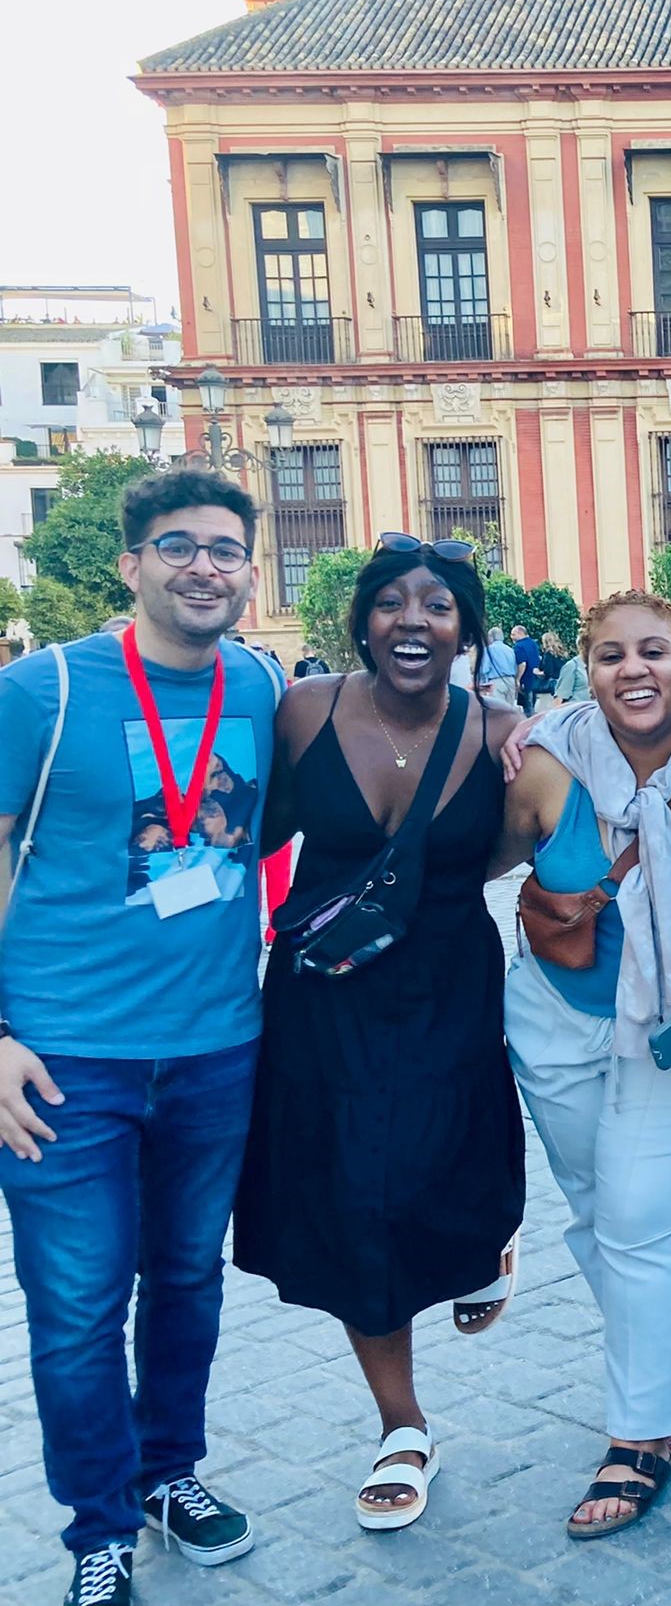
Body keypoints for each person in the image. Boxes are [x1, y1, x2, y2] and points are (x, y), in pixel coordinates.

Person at [0, 470, 284, 1606]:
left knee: (185, 1280)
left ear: (249, 573)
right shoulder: (43, 691)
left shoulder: (261, 686)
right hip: (66, 1060)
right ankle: (98, 1530)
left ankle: (171, 1472)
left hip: (218, 1047)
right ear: (131, 566)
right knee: (76, 1307)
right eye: (177, 546)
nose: (203, 566)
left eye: (224, 549)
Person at [233, 534, 525, 1532]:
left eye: (437, 606)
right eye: (391, 603)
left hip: (449, 980)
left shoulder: (499, 731)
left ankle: (486, 1245)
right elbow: (253, 833)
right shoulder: (303, 711)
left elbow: (513, 850)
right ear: (359, 620)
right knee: (356, 1192)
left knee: (447, 1160)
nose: (413, 620)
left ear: (465, 629)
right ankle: (402, 1424)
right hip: (325, 992)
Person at [497, 590, 671, 1535]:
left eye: (654, 651)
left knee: (639, 1221)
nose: (635, 670)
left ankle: (645, 1433)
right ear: (588, 669)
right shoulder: (550, 760)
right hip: (555, 1016)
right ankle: (650, 1367)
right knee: (594, 1217)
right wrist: (509, 725)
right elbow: (480, 856)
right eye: (612, 654)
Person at [479, 626, 518, 707]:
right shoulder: (510, 650)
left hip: (496, 681)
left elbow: (484, 669)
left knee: (498, 709)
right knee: (510, 709)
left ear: (491, 637)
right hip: (511, 680)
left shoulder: (489, 649)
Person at [512, 623, 543, 716]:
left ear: (520, 633)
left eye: (513, 634)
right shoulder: (533, 643)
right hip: (535, 678)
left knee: (527, 707)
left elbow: (522, 663)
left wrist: (517, 679)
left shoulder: (519, 646)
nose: (511, 637)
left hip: (525, 679)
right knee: (532, 703)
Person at [536, 629, 570, 709]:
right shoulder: (564, 654)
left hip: (553, 683)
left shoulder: (548, 654)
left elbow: (548, 672)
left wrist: (538, 672)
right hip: (563, 682)